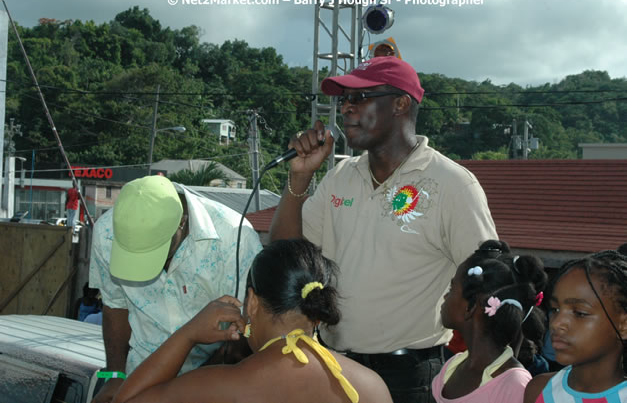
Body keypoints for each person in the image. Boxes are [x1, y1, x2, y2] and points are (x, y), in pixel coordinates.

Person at [270, 56, 498, 402]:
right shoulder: (339, 177)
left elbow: (488, 285)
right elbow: (285, 257)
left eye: (359, 98)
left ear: (400, 103)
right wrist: (300, 177)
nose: (346, 109)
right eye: (343, 100)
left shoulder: (453, 185)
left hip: (409, 378)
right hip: (334, 368)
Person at [112, 239, 393, 403]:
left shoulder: (221, 387)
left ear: (252, 302)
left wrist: (187, 334)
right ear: (318, 310)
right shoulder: (372, 387)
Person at [89, 175, 262, 403]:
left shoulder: (235, 238)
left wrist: (187, 388)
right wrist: (115, 374)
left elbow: (249, 330)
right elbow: (115, 305)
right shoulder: (106, 233)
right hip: (140, 377)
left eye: (154, 252)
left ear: (182, 220)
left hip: (214, 379)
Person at [432, 240, 547, 403]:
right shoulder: (453, 365)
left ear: (470, 308)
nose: (445, 297)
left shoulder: (513, 384)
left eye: (452, 289)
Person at [523, 250, 627, 403]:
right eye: (555, 309)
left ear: (623, 325)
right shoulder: (540, 390)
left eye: (580, 313)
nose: (557, 323)